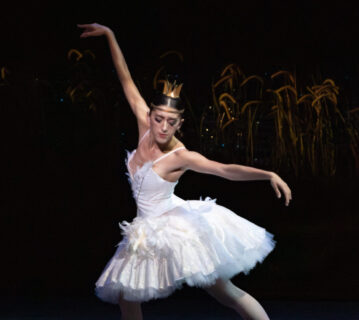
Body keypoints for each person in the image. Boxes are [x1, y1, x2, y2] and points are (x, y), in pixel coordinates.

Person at [79, 23, 292, 320]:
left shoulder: (182, 156)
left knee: (224, 291)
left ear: (180, 124)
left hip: (176, 228)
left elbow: (225, 170)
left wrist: (268, 174)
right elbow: (125, 78)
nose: (163, 127)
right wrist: (111, 35)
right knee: (126, 296)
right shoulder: (144, 126)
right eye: (158, 119)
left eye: (171, 121)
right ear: (150, 117)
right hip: (145, 228)